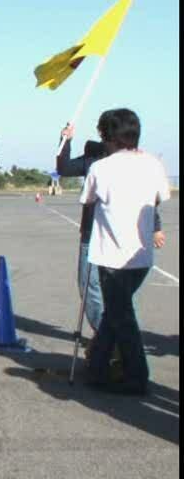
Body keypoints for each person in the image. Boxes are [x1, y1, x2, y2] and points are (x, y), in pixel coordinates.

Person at [79, 108, 171, 395]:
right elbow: (160, 198)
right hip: (141, 256)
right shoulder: (153, 164)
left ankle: (137, 376)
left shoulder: (101, 168)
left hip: (112, 256)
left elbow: (88, 200)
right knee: (114, 313)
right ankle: (97, 368)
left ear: (107, 135)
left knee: (122, 317)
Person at [57, 124, 165, 346]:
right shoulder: (94, 161)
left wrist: (155, 226)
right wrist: (65, 141)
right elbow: (64, 168)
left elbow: (147, 200)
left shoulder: (140, 163)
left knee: (122, 294)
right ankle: (106, 333)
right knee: (88, 286)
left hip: (126, 237)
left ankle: (111, 339)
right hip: (92, 233)